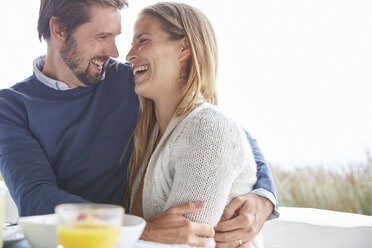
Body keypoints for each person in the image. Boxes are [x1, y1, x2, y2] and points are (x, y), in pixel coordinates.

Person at [0, 0, 278, 247]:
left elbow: (221, 129)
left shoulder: (129, 81)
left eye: (117, 36)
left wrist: (264, 197)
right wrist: (137, 229)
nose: (115, 51)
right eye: (102, 36)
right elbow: (35, 198)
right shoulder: (11, 107)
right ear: (59, 31)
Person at [125, 2, 265, 247]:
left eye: (143, 40)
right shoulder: (153, 133)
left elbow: (186, 243)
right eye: (132, 43)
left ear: (184, 48)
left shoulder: (209, 128)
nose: (129, 55)